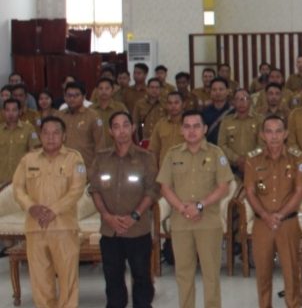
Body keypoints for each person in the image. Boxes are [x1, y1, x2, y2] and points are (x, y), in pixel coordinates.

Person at [157, 109, 235, 308]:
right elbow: (165, 187)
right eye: (187, 126)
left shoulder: (216, 153)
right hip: (180, 223)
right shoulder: (173, 154)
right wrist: (182, 208)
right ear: (181, 130)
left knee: (211, 274)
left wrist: (200, 205)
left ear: (205, 129)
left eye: (196, 126)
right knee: (183, 274)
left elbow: (224, 187)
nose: (192, 131)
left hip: (208, 222)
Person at [12, 116, 87, 308]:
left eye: (56, 133)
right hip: (35, 228)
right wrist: (31, 207)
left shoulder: (74, 159)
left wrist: (53, 211)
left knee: (68, 280)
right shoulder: (28, 160)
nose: (50, 137)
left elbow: (77, 189)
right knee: (40, 283)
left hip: (64, 228)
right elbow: (18, 188)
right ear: (40, 135)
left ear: (64, 136)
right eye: (46, 133)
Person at [90, 111, 159, 308]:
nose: (122, 131)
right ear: (110, 131)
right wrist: (107, 217)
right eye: (116, 126)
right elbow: (94, 190)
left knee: (142, 278)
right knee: (113, 280)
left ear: (133, 128)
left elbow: (152, 190)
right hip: (110, 231)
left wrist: (134, 216)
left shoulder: (146, 158)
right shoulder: (101, 158)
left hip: (137, 230)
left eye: (126, 125)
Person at [244, 115, 302, 308]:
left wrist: (279, 215)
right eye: (269, 131)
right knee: (263, 273)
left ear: (285, 134)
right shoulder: (252, 159)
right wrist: (265, 216)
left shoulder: (297, 158)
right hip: (262, 224)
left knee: (292, 272)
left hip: (288, 223)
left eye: (278, 131)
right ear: (262, 135)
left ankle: (294, 305)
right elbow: (250, 192)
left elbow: (299, 192)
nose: (274, 136)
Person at [218, 88, 264, 178]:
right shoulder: (226, 121)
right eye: (237, 99)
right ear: (233, 103)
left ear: (250, 101)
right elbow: (221, 145)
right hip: (231, 168)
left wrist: (248, 159)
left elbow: (262, 145)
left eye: (244, 99)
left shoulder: (259, 120)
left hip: (255, 166)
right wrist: (237, 159)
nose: (241, 102)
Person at [60, 81, 103, 167]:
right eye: (69, 95)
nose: (72, 99)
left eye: (76, 95)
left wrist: (97, 166)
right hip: (63, 165)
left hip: (86, 165)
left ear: (83, 97)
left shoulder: (93, 116)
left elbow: (100, 144)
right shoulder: (59, 116)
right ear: (64, 97)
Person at [0, 97, 39, 185]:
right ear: (3, 112)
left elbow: (34, 153)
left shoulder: (29, 129)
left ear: (20, 111)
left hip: (21, 180)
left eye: (14, 110)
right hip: (1, 180)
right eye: (7, 110)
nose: (10, 113)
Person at [148, 91, 185, 166]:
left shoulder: (189, 125)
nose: (173, 106)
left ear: (183, 104)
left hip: (185, 168)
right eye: (170, 103)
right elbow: (153, 150)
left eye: (176, 103)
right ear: (166, 105)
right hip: (164, 169)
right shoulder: (160, 124)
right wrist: (155, 169)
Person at [91, 77, 128, 150]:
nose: (104, 91)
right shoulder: (91, 109)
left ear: (112, 90)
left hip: (117, 149)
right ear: (96, 91)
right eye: (101, 88)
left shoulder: (120, 108)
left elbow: (127, 127)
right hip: (95, 151)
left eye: (107, 88)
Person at [132, 77, 164, 142]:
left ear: (160, 89)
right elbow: (135, 124)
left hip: (161, 140)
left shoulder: (165, 104)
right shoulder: (139, 104)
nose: (154, 90)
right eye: (152, 87)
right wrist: (137, 141)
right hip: (144, 140)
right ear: (147, 89)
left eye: (157, 88)